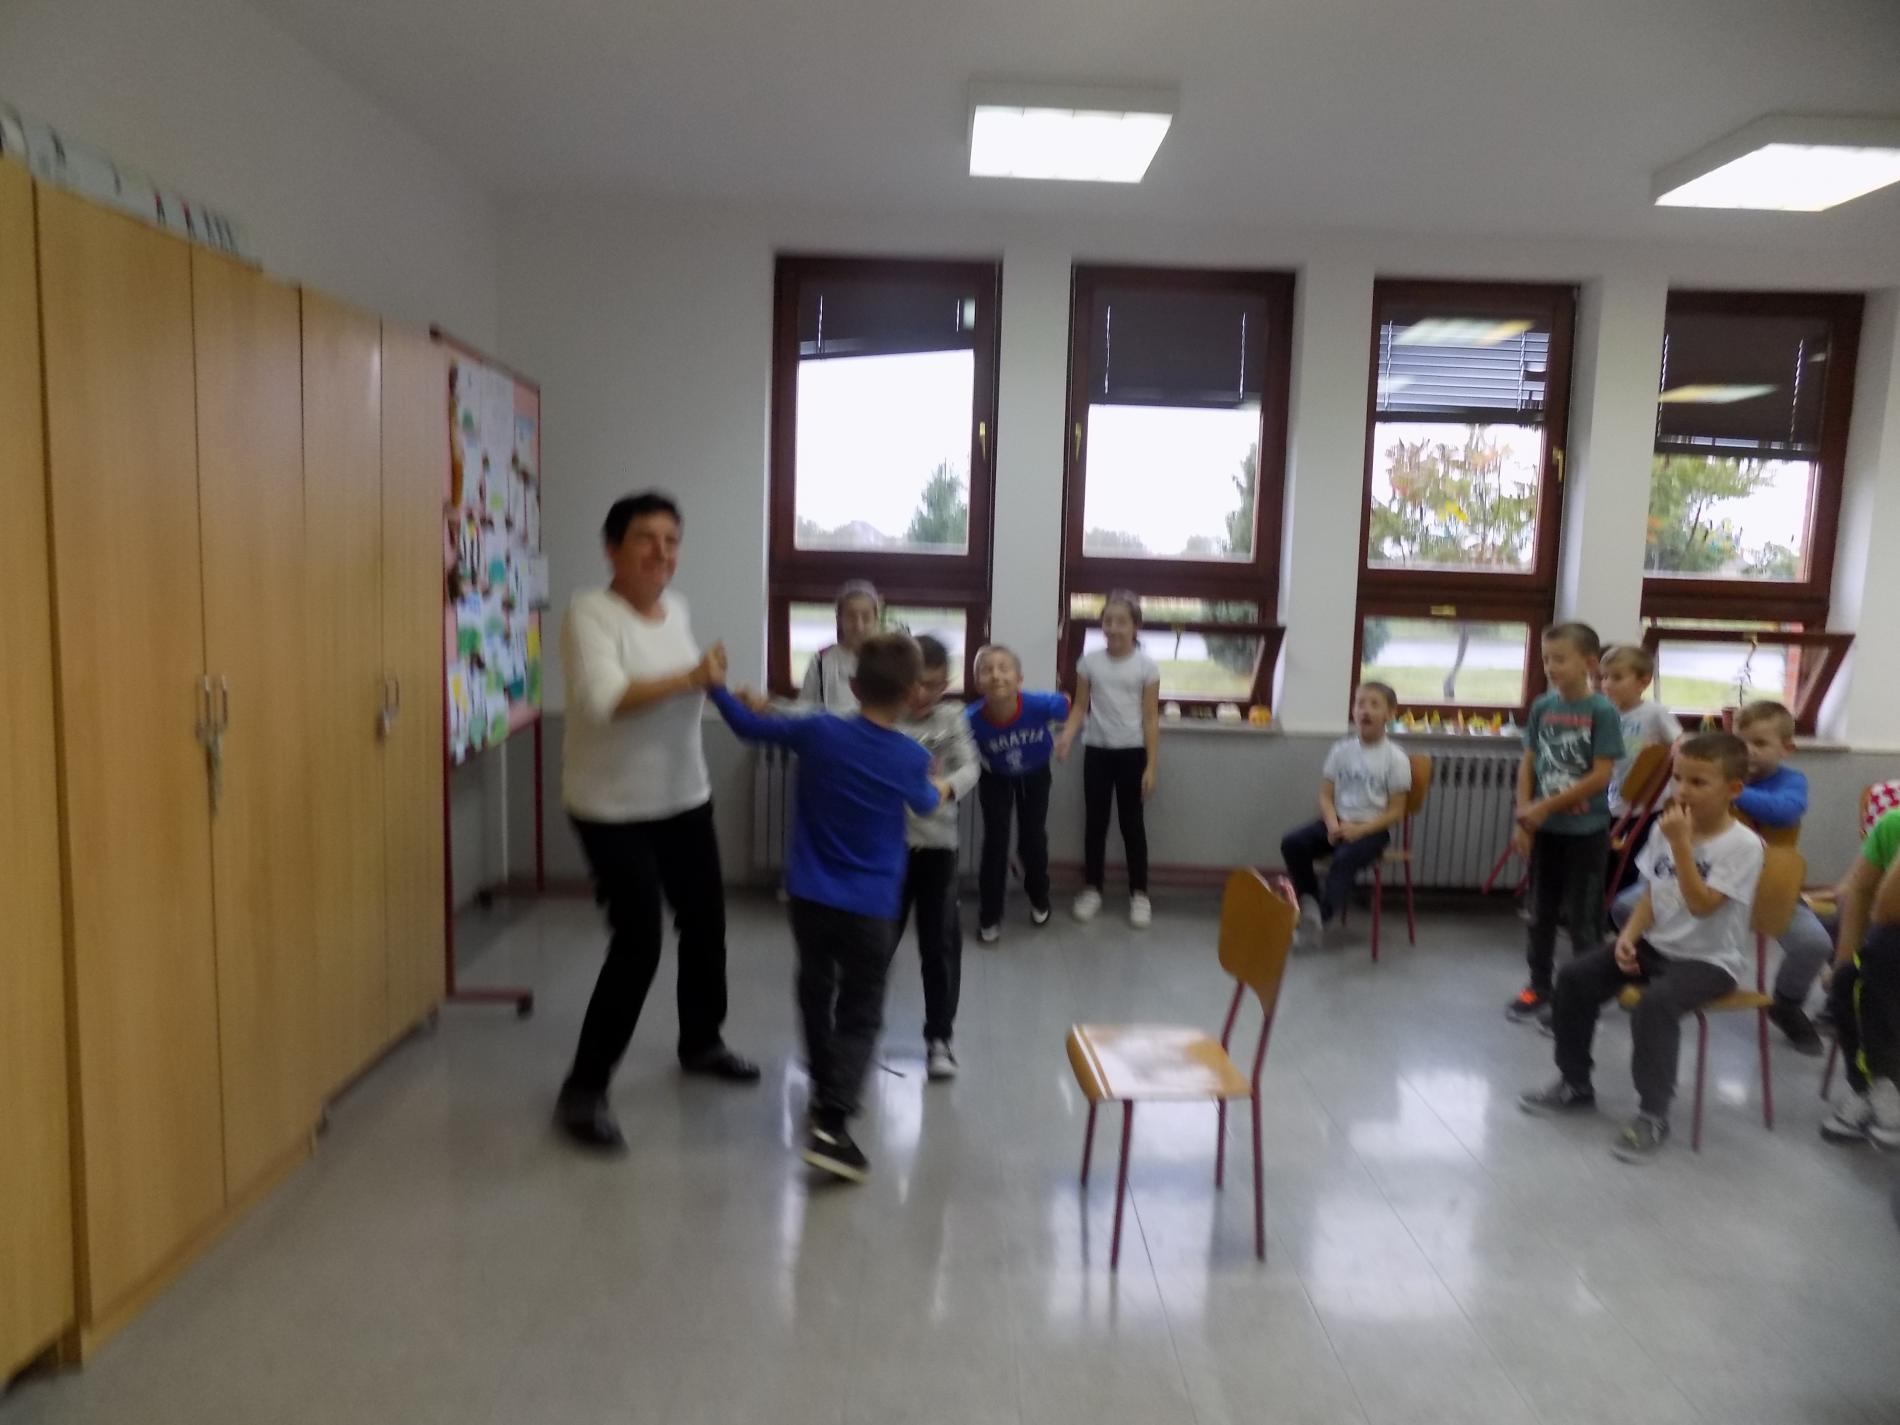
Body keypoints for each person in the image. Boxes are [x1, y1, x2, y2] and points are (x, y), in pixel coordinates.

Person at [554, 492, 759, 1153]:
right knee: (638, 941)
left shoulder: (680, 611)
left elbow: (681, 687)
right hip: (610, 809)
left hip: (683, 797)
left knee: (706, 922)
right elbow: (606, 698)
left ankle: (701, 1042)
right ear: (612, 548)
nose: (661, 552)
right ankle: (583, 1090)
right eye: (645, 538)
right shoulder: (590, 613)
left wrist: (725, 691)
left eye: (671, 540)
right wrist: (692, 676)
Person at [708, 633, 949, 1182]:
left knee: (815, 989)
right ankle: (834, 1122)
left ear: (855, 687)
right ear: (912, 694)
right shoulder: (911, 757)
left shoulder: (819, 730)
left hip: (810, 897)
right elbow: (926, 802)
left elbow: (747, 726)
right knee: (861, 1009)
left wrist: (716, 688)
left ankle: (823, 1085)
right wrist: (937, 784)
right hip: (872, 907)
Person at [1520, 731, 1765, 1162]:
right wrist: (1628, 938)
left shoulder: (1742, 845)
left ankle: (1653, 1114)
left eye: (1698, 782)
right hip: (1656, 947)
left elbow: (1702, 905)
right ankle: (1575, 1083)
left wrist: (1682, 845)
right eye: (1678, 778)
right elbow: (1653, 894)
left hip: (1710, 962)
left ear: (1733, 789)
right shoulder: (1667, 828)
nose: (1682, 790)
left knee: (1655, 1005)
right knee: (1575, 977)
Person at [1610, 700, 1827, 1053]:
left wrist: (1722, 787)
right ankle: (1658, 969)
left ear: (1786, 748)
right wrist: (1702, 779)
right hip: (1699, 881)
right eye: (1741, 742)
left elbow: (1785, 811)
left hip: (1766, 889)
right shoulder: (1706, 779)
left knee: (1814, 943)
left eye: (1760, 743)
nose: (1749, 751)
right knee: (1624, 906)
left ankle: (1787, 1003)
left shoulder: (1791, 782)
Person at [1507, 623, 1624, 1023]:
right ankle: (1538, 986)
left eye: (1560, 659)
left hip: (1585, 836)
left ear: (1589, 663)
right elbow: (1528, 764)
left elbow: (1600, 776)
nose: (1551, 667)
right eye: (1546, 659)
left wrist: (1546, 806)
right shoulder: (1542, 707)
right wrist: (1525, 818)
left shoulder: (1602, 712)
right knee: (1539, 914)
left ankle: (1582, 997)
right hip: (1546, 833)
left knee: (1583, 922)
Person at [895, 636, 980, 1082]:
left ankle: (939, 1039)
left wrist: (946, 788)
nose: (922, 693)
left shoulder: (952, 717)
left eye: (933, 684)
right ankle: (855, 1030)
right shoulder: (884, 715)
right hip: (888, 850)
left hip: (938, 850)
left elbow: (970, 766)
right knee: (874, 944)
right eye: (915, 683)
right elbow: (823, 718)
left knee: (940, 946)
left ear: (946, 683)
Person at [1055, 591, 1161, 928]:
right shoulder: (1090, 662)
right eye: (1108, 621)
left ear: (1135, 626)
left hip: (1132, 753)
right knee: (1095, 823)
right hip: (1097, 752)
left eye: (1121, 622)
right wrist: (1067, 737)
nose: (1113, 628)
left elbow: (1150, 718)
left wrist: (1151, 765)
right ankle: (1092, 889)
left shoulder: (1146, 667)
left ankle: (1139, 894)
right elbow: (1079, 707)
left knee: (1132, 826)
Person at [1280, 683, 1412, 950]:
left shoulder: (1396, 759)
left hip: (1372, 829)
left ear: (1390, 714)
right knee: (1293, 843)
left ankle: (1322, 918)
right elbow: (1325, 795)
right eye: (1360, 704)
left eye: (1374, 705)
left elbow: (1396, 811)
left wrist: (1359, 830)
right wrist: (1332, 825)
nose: (1365, 711)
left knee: (1344, 858)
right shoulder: (1341, 750)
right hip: (1337, 823)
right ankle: (1310, 907)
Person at [966, 643, 1069, 943]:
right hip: (995, 778)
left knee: (1032, 839)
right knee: (995, 843)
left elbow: (1068, 704)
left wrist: (1066, 735)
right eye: (987, 670)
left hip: (1036, 775)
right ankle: (989, 915)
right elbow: (952, 749)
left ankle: (1039, 897)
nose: (996, 675)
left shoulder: (1040, 705)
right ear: (978, 682)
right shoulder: (970, 719)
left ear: (1019, 679)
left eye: (1004, 668)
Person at [1820, 807, 1900, 1148]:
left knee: (1886, 954)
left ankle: (1887, 1083)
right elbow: (1862, 893)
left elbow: (1886, 909)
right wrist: (1842, 962)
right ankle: (1874, 1089)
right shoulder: (1893, 823)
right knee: (1849, 980)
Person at [1598, 645, 1682, 893]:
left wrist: (1670, 753)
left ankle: (1623, 910)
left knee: (1633, 861)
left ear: (1642, 682)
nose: (1607, 684)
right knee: (1607, 859)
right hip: (1614, 800)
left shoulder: (1654, 712)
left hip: (1648, 805)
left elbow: (1678, 741)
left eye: (1617, 677)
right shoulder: (1605, 713)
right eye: (1604, 677)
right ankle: (1604, 907)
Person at [799, 579, 881, 711]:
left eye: (866, 617)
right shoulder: (821, 661)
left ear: (876, 619)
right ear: (839, 619)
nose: (858, 626)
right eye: (851, 617)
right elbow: (804, 711)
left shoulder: (890, 662)